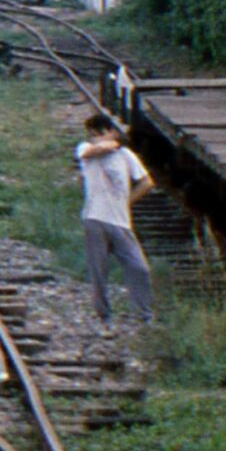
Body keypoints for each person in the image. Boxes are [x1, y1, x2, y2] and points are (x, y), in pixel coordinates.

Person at [74, 113, 155, 324]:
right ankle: (103, 314)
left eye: (100, 132)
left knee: (139, 268)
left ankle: (143, 313)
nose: (95, 137)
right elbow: (94, 150)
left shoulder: (126, 155)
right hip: (94, 217)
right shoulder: (85, 149)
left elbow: (146, 182)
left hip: (120, 220)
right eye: (94, 134)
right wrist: (112, 142)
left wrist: (127, 201)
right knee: (98, 271)